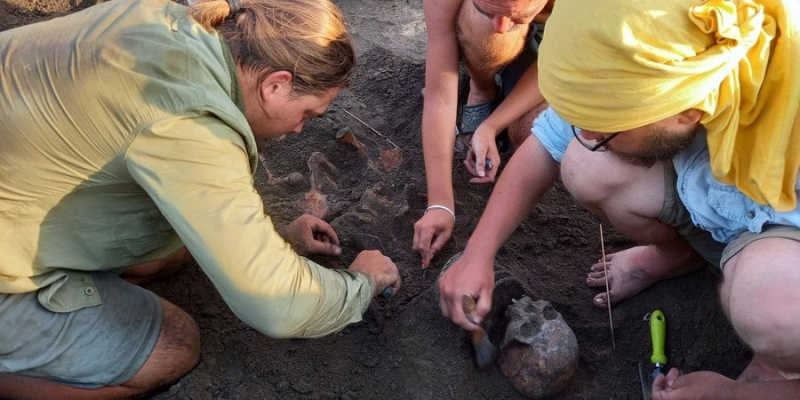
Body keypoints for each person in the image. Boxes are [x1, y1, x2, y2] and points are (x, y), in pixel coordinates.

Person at [0, 0, 401, 397]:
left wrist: (276, 241)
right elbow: (280, 306)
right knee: (174, 346)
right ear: (275, 84)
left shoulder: (166, 20)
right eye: (309, 113)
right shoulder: (191, 127)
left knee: (166, 248)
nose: (300, 129)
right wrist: (362, 283)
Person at [438, 0, 800, 398]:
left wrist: (734, 395)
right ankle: (680, 254)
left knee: (774, 309)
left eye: (604, 130)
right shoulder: (656, 50)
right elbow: (547, 143)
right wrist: (478, 253)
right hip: (718, 205)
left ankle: (782, 366)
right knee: (586, 164)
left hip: (784, 243)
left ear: (687, 112)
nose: (588, 134)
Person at [412, 0, 553, 267]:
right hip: (524, 35)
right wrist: (440, 203)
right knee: (483, 26)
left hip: (562, 47)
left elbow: (561, 63)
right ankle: (481, 87)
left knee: (530, 130)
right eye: (488, 7)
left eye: (512, 15)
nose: (500, 27)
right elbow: (439, 94)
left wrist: (493, 125)